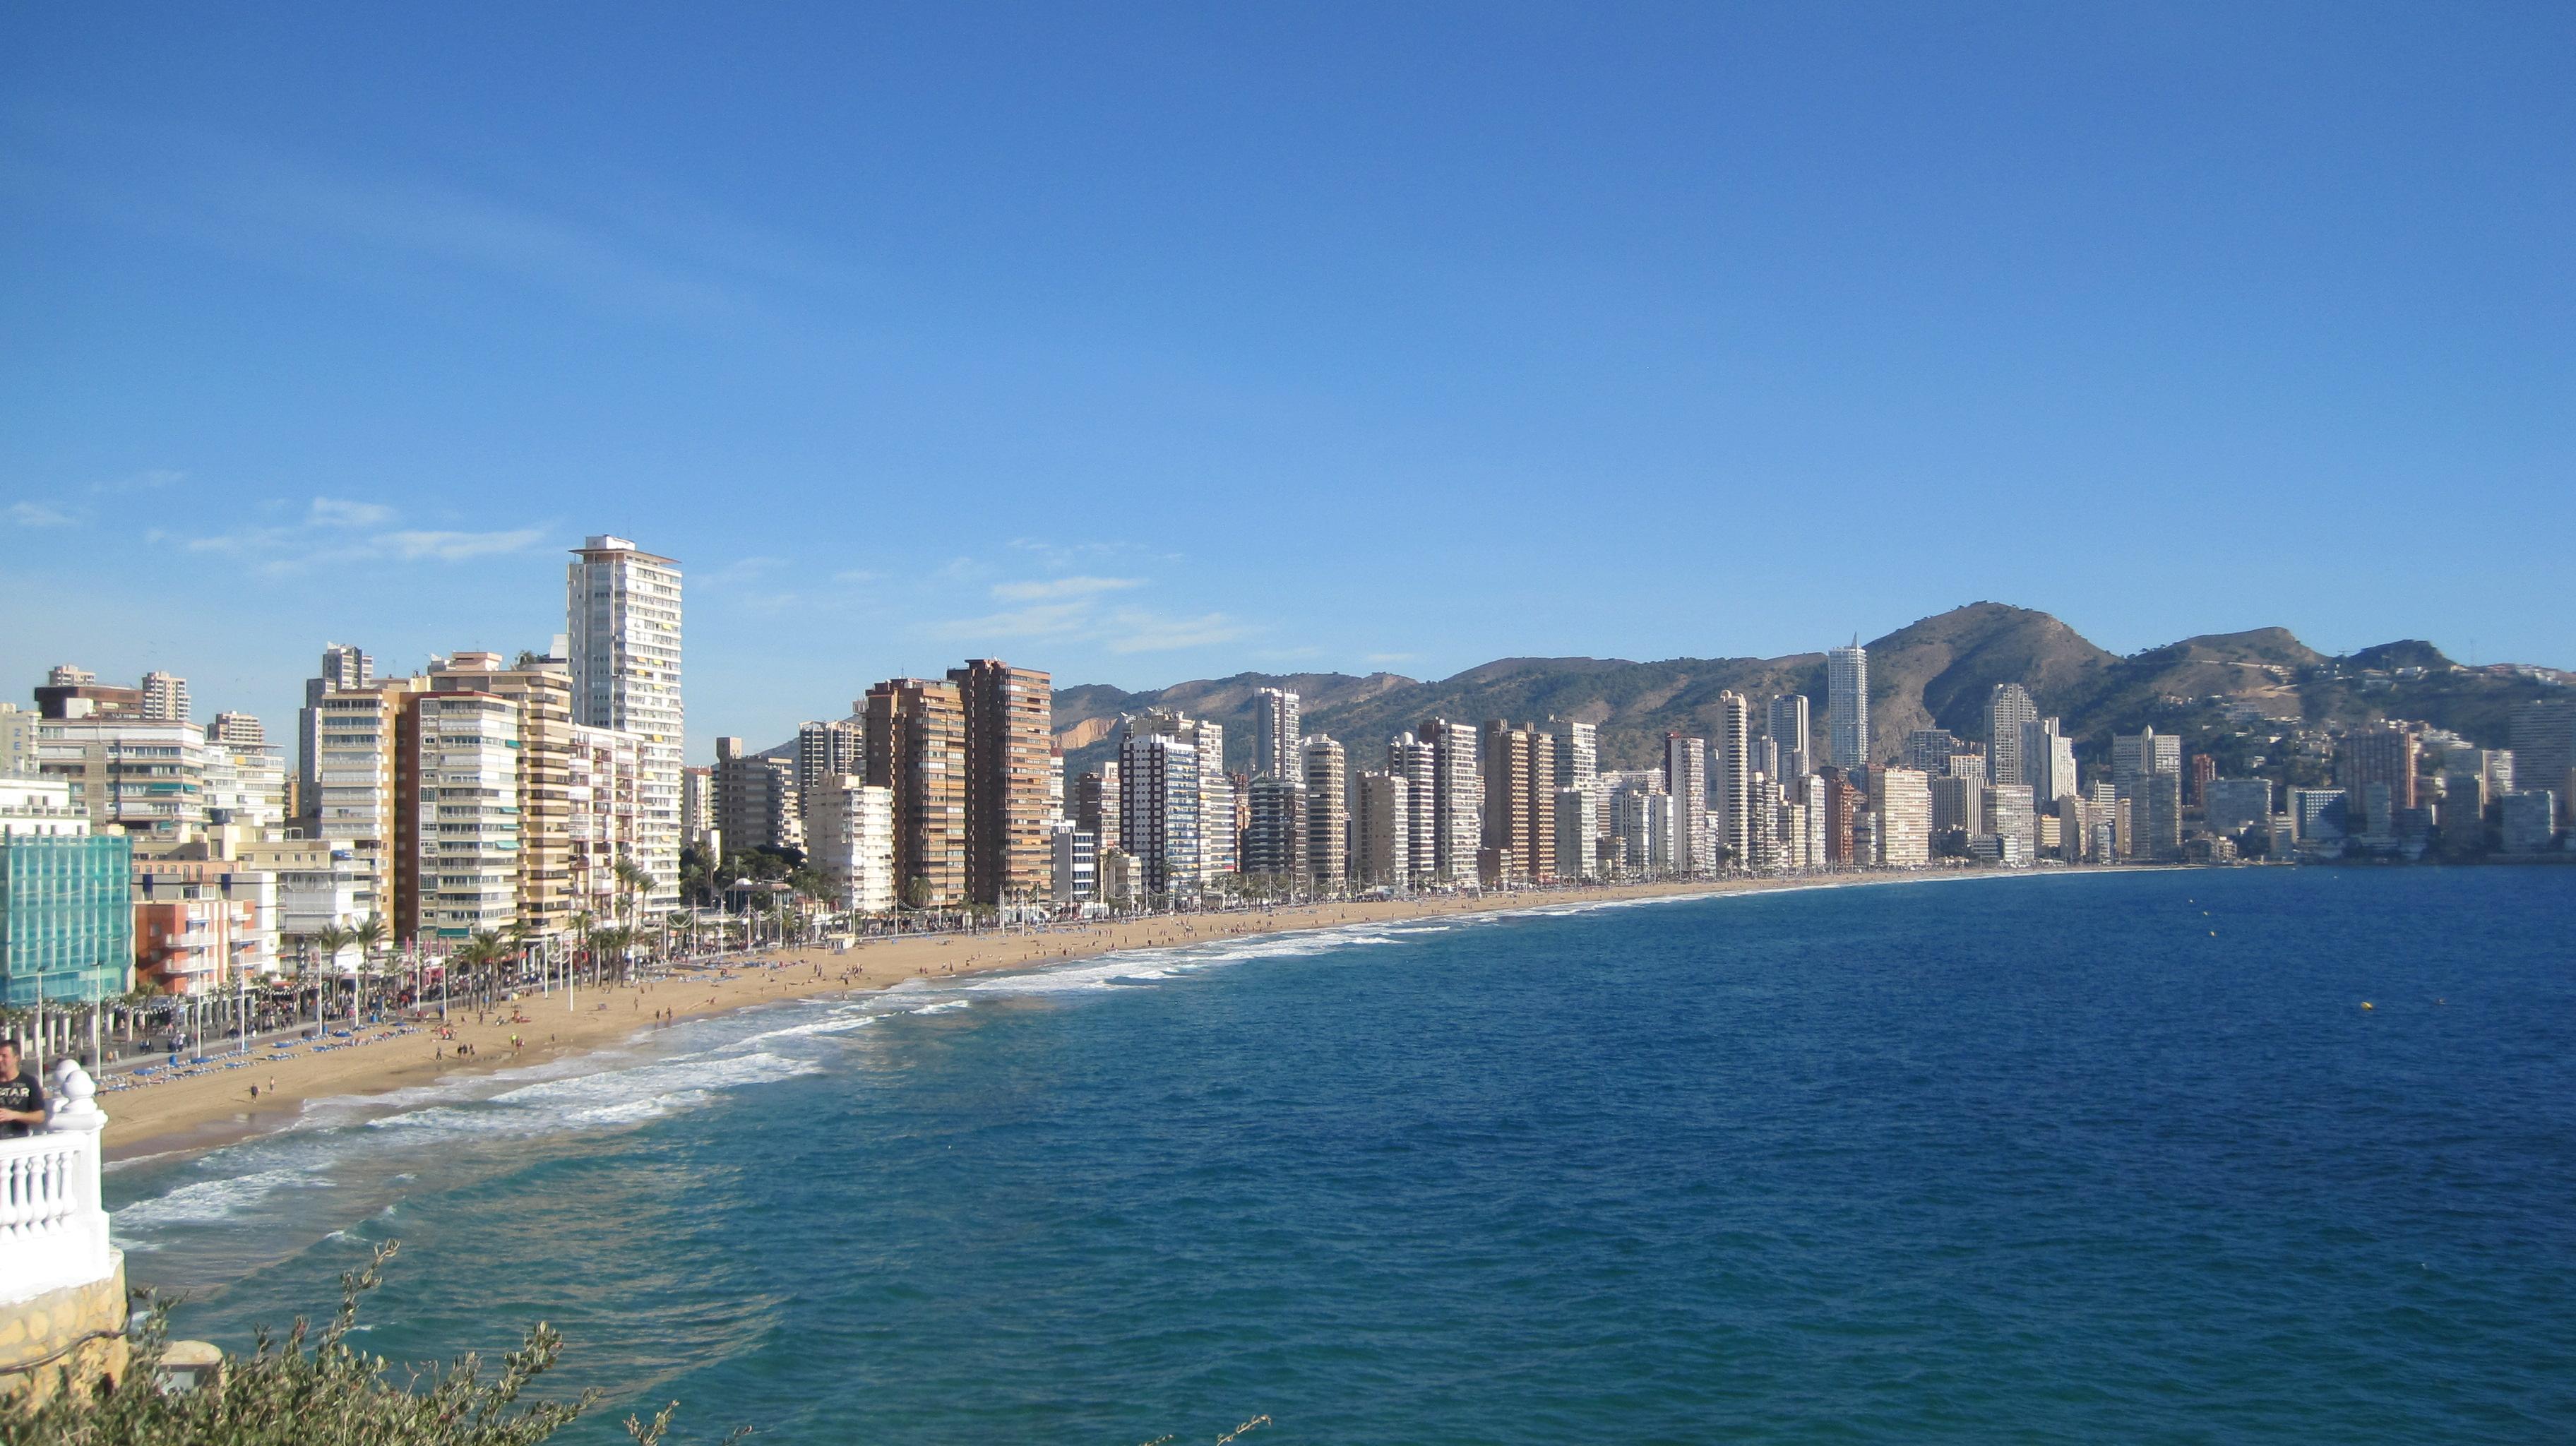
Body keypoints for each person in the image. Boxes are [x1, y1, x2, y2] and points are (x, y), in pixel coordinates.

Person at [0, 1039, 48, 1138]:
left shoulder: (29, 1082)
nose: (0, 1059)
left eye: (4, 1056)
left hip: (18, 1141)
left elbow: (40, 1116)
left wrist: (14, 1115)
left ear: (16, 1058)